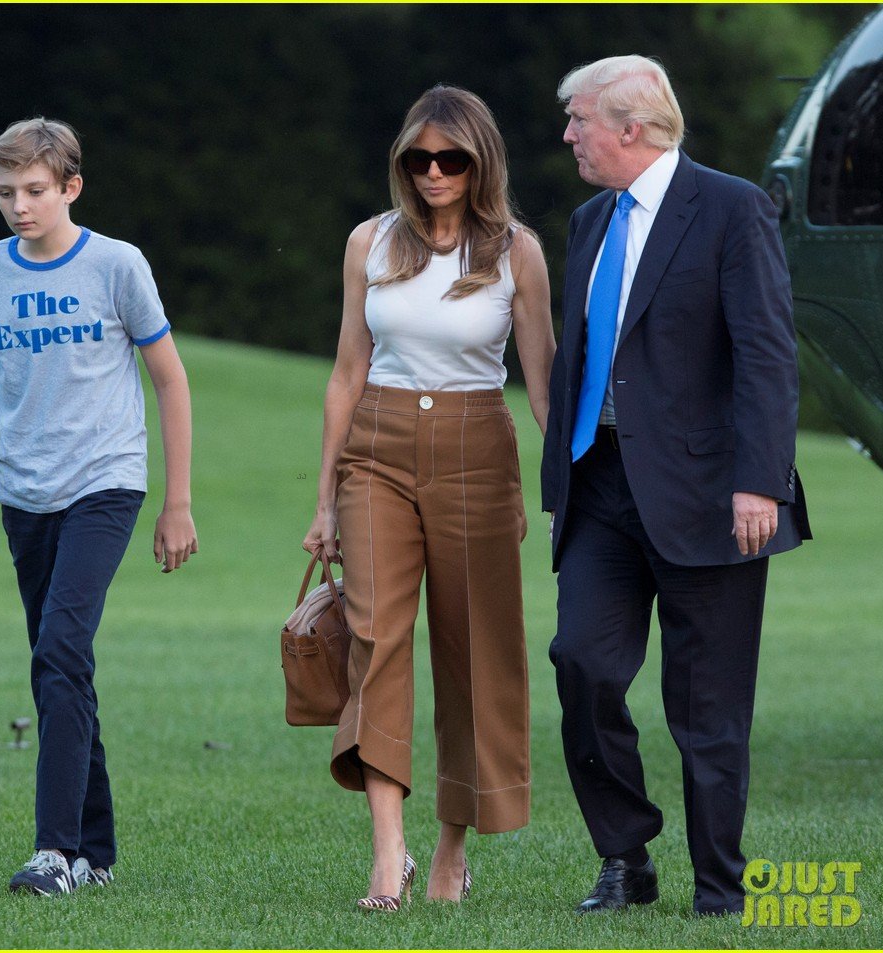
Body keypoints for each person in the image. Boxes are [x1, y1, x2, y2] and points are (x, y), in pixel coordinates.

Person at [541, 56, 812, 916]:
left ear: (631, 127)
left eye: (579, 120)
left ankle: (719, 889)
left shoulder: (733, 207)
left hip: (713, 494)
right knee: (581, 663)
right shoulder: (589, 220)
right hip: (601, 488)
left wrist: (759, 481)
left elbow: (768, 351)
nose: (568, 136)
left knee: (708, 706)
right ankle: (626, 857)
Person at [303, 85, 555, 911]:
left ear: (480, 162)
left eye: (452, 159)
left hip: (479, 448)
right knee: (375, 638)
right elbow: (345, 373)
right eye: (420, 159)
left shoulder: (516, 252)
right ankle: (387, 857)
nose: (435, 171)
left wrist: (566, 488)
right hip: (375, 447)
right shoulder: (369, 242)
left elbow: (544, 387)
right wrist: (324, 501)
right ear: (402, 164)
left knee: (474, 649)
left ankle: (451, 848)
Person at [0, 117, 198, 896]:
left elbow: (171, 381)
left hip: (105, 483)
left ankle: (53, 853)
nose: (19, 206)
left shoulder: (116, 265)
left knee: (58, 649)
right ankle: (98, 852)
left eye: (33, 191)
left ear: (70, 188)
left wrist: (176, 501)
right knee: (61, 666)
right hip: (24, 492)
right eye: (5, 193)